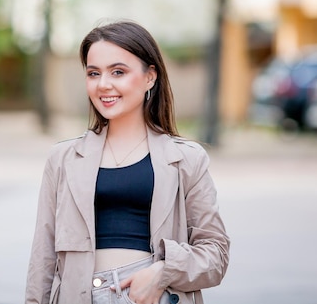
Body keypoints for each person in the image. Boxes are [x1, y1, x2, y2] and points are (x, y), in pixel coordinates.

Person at [25, 20, 230, 304]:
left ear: (150, 77)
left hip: (153, 296)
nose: (104, 84)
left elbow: (215, 254)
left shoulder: (187, 159)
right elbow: (42, 258)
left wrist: (163, 272)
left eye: (118, 72)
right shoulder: (63, 159)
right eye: (93, 73)